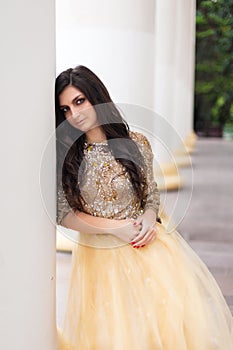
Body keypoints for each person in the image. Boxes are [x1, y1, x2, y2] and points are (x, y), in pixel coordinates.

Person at [55, 65, 233, 350]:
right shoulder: (66, 156)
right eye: (65, 109)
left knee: (161, 329)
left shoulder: (136, 143)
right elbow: (63, 215)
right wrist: (117, 229)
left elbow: (150, 194)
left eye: (79, 101)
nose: (74, 115)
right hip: (101, 257)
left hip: (148, 245)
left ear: (96, 98)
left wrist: (150, 218)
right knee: (115, 335)